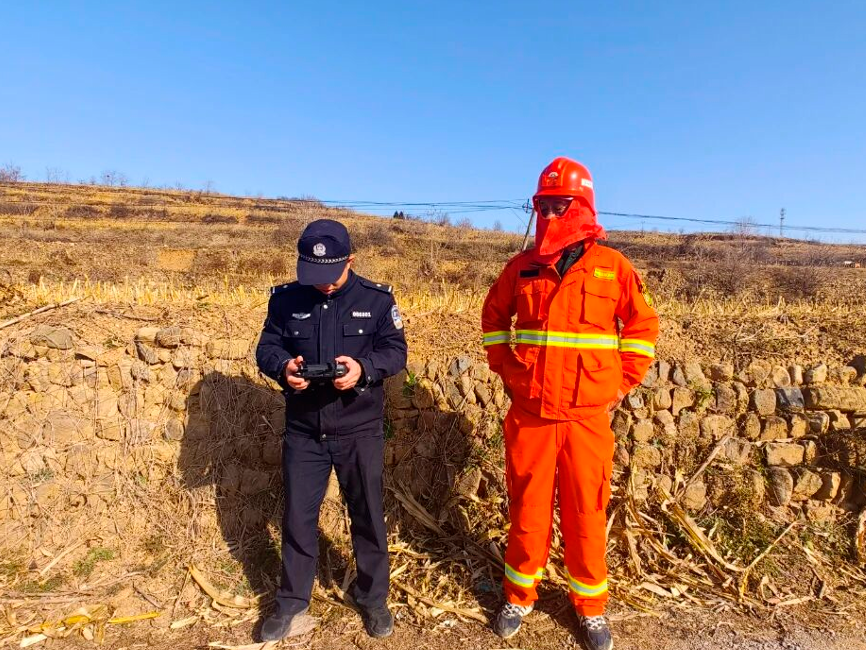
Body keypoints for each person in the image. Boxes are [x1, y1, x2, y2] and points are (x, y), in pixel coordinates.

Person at [481, 158, 659, 650]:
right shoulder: (522, 267)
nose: (552, 214)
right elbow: (494, 320)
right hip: (532, 414)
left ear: (582, 207)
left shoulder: (614, 267)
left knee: (586, 511)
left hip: (586, 418)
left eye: (562, 205)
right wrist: (511, 372)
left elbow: (643, 328)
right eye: (545, 205)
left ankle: (590, 608)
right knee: (527, 510)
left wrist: (621, 382)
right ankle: (519, 596)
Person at [255, 218, 408, 641]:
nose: (322, 285)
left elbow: (396, 353)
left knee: (368, 516)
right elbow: (267, 347)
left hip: (359, 428)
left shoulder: (377, 300)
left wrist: (364, 369)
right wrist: (283, 368)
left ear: (350, 261)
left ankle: (373, 598)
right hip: (304, 430)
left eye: (331, 275)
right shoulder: (285, 299)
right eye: (314, 276)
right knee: (298, 518)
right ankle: (291, 603)